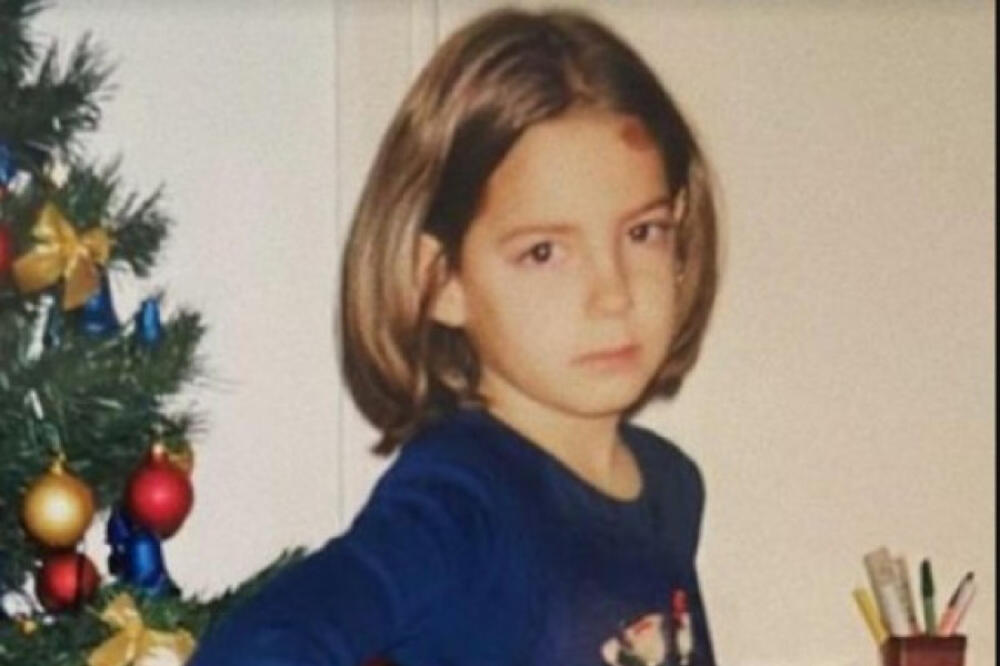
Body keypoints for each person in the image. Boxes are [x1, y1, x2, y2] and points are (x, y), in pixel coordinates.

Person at [190, 6, 719, 665]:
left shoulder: (670, 486)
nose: (613, 293)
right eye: (545, 252)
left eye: (642, 232)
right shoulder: (463, 503)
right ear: (440, 280)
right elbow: (259, 646)